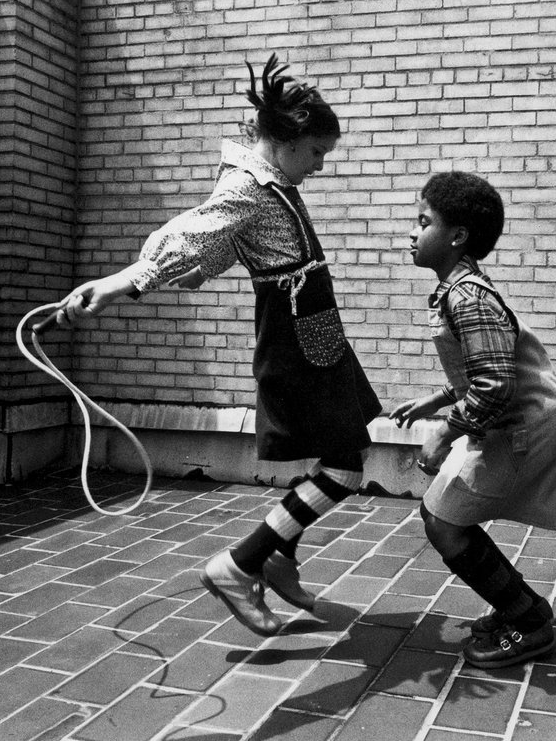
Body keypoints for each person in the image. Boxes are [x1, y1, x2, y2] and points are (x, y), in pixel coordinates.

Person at [47, 54, 382, 634]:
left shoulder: (267, 181)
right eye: (317, 154)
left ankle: (278, 556)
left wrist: (204, 268)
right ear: (286, 140)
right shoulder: (249, 186)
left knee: (341, 452)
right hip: (298, 337)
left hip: (314, 331)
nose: (321, 167)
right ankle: (239, 563)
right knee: (343, 469)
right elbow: (195, 231)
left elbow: (225, 244)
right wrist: (120, 283)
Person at [390, 172, 556, 669]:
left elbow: (495, 384)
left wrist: (444, 435)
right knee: (439, 516)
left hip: (522, 431)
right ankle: (523, 608)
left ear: (457, 237)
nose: (412, 232)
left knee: (445, 524)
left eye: (422, 221)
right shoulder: (460, 289)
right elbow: (485, 369)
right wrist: (435, 400)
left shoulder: (467, 297)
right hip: (507, 423)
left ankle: (530, 625)